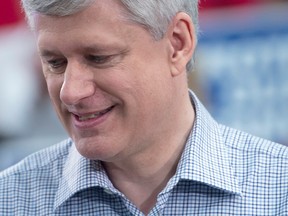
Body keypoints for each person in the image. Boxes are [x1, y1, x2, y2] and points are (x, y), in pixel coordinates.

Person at [0, 0, 287, 215]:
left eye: (98, 57)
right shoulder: (11, 200)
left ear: (178, 44)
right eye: (54, 62)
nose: (71, 92)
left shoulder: (279, 189)